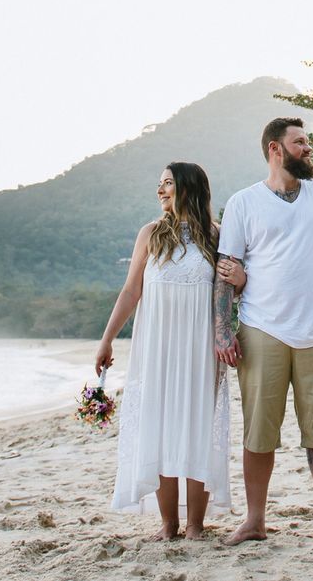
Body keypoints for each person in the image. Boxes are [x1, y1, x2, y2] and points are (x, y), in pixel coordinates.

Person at [212, 116, 313, 545]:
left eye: (308, 142)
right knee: (259, 431)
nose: (308, 149)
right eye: (300, 143)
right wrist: (224, 331)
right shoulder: (244, 202)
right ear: (275, 149)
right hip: (262, 328)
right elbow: (227, 272)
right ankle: (254, 520)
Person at [95, 161, 244, 539]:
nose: (160, 190)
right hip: (157, 348)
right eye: (159, 184)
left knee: (196, 428)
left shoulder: (217, 236)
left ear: (189, 188)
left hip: (200, 349)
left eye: (167, 184)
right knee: (159, 428)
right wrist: (107, 338)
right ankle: (168, 524)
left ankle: (195, 524)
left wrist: (242, 281)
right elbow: (131, 291)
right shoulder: (150, 234)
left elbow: (235, 290)